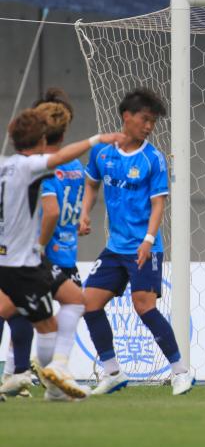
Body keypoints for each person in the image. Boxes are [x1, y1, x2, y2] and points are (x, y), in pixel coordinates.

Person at [0, 108, 124, 400]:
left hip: (20, 258)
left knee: (65, 303)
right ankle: (51, 376)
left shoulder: (4, 165)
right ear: (42, 140)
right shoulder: (30, 166)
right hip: (22, 263)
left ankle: (44, 376)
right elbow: (59, 158)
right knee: (49, 322)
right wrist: (96, 139)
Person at [79, 88, 194, 396]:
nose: (149, 126)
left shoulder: (152, 158)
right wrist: (84, 212)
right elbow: (91, 185)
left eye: (153, 121)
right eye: (145, 119)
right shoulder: (102, 152)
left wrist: (148, 240)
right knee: (89, 303)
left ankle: (180, 371)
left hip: (145, 248)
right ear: (126, 116)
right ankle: (113, 372)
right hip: (115, 248)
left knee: (144, 307)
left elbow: (158, 204)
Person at [0, 89, 85, 401]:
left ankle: (19, 373)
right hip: (37, 255)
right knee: (30, 312)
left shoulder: (24, 165)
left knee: (17, 310)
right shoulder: (44, 167)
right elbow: (51, 211)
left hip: (33, 254)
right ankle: (39, 374)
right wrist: (39, 245)